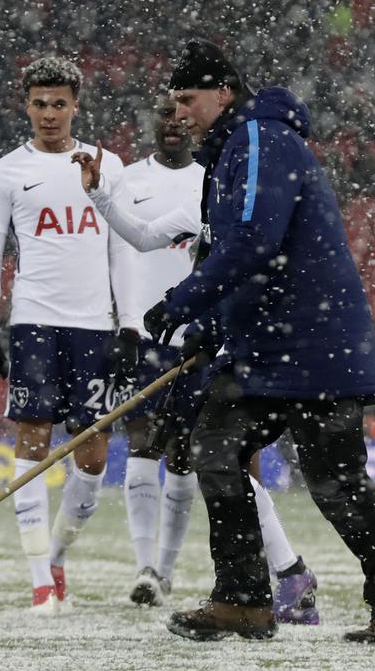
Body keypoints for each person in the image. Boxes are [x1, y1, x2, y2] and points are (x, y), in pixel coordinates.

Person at [137, 39, 375, 643]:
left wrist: (182, 302)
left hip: (312, 344)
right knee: (216, 447)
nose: (179, 114)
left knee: (335, 480)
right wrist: (208, 328)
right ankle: (244, 601)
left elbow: (252, 242)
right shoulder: (233, 149)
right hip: (269, 347)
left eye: (188, 99)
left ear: (222, 93)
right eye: (173, 102)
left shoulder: (258, 142)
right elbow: (237, 252)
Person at [77, 94, 320, 623]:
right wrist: (98, 195)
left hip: (230, 347)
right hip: (185, 345)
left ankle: (279, 576)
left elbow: (257, 261)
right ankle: (279, 575)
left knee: (222, 461)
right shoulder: (202, 203)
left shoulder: (249, 197)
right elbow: (142, 236)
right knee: (204, 459)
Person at [0, 57, 136, 613]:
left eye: (58, 103)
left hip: (95, 326)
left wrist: (129, 324)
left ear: (75, 106)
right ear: (25, 105)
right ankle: (40, 579)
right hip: (35, 320)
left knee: (92, 457)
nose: (49, 114)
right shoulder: (5, 173)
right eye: (39, 103)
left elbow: (122, 250)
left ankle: (58, 556)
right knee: (34, 438)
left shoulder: (106, 164)